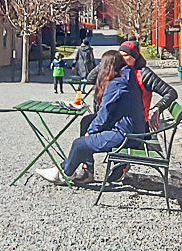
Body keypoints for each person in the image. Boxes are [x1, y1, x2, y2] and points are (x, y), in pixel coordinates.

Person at [36, 49, 144, 185]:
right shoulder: (127, 77)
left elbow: (104, 113)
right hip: (132, 129)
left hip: (126, 135)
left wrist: (91, 131)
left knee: (79, 144)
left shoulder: (116, 84)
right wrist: (91, 127)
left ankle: (64, 174)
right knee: (87, 121)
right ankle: (86, 171)